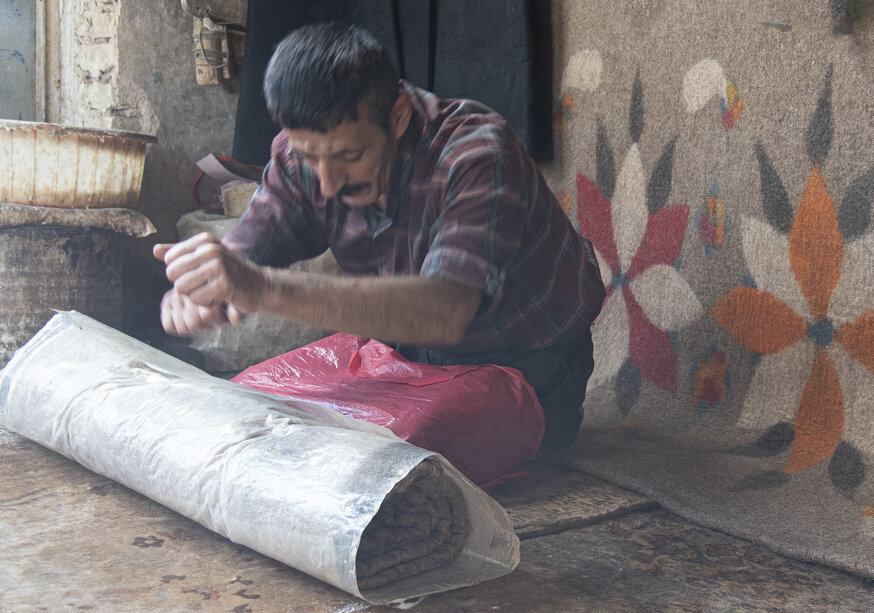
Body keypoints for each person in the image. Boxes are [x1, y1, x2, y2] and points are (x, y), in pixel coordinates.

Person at [154, 22, 605, 452]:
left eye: (350, 156)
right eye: (310, 157)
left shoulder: (478, 155)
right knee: (244, 406)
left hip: (526, 369)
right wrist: (203, 285)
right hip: (408, 358)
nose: (328, 182)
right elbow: (244, 253)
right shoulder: (303, 156)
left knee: (377, 454)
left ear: (399, 116)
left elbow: (444, 312)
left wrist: (260, 287)